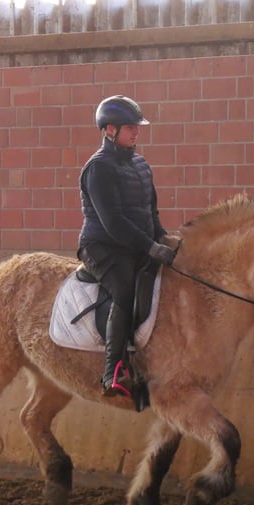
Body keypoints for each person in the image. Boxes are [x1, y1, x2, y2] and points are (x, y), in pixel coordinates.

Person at [77, 95, 177, 399]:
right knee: (123, 288)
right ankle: (113, 371)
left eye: (137, 126)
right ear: (110, 130)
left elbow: (151, 210)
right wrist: (150, 246)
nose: (136, 132)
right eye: (130, 127)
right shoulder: (98, 169)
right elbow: (114, 222)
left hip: (135, 244)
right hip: (102, 246)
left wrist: (163, 238)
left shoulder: (140, 164)